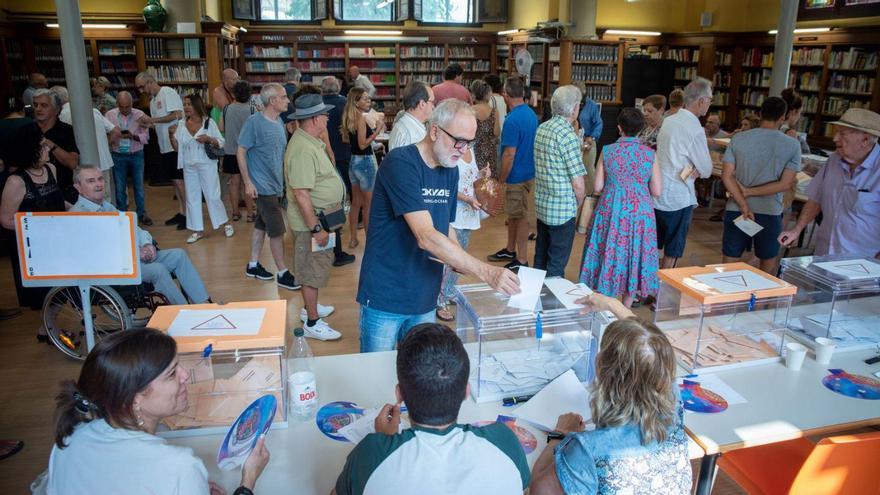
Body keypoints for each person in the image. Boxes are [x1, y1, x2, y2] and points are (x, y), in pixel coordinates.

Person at [356, 99, 520, 353]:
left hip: (425, 295)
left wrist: (457, 258)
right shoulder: (400, 163)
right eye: (458, 140)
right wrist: (487, 272)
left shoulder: (449, 169)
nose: (463, 150)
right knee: (377, 378)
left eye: (468, 143)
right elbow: (426, 236)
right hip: (386, 295)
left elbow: (445, 225)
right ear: (434, 131)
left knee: (418, 375)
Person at [46, 328, 269, 494]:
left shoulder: (69, 440)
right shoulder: (179, 466)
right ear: (134, 398)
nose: (184, 375)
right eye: (171, 374)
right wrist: (247, 481)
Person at [335, 323, 530, 495]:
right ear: (466, 391)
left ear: (399, 395)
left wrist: (385, 442)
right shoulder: (504, 441)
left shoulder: (371, 453)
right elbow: (522, 489)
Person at [529, 293, 691, 495]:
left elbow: (537, 488)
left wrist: (560, 434)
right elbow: (649, 350)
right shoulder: (673, 402)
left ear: (599, 364)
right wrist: (613, 305)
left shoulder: (587, 449)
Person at [71, 164, 211, 305]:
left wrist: (146, 244)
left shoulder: (106, 207)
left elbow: (133, 228)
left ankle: (204, 304)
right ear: (78, 187)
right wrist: (136, 253)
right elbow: (102, 251)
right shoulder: (79, 216)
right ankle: (183, 312)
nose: (98, 184)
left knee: (178, 255)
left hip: (130, 260)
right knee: (158, 270)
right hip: (111, 269)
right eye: (91, 181)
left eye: (100, 179)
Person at [581, 108, 662, 308]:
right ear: (641, 129)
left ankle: (604, 304)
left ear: (619, 128)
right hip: (640, 211)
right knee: (634, 256)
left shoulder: (608, 151)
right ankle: (624, 310)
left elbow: (598, 186)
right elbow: (657, 190)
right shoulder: (649, 154)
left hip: (612, 208)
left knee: (607, 251)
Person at [779, 108, 880, 257]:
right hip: (824, 253)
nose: (835, 138)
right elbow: (816, 199)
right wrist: (797, 229)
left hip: (863, 263)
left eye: (842, 134)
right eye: (836, 132)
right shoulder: (833, 160)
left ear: (865, 140)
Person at [285, 94, 346, 341]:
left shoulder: (310, 140)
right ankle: (312, 321)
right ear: (313, 119)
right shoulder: (301, 148)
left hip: (323, 219)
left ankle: (311, 305)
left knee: (316, 267)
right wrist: (316, 229)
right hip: (313, 224)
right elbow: (301, 194)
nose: (327, 117)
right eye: (324, 114)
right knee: (310, 270)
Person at [721, 97, 800, 275]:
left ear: (759, 114)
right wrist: (751, 192)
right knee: (767, 263)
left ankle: (723, 300)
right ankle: (762, 301)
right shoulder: (792, 145)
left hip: (737, 209)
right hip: (770, 210)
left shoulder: (739, 139)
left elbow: (727, 176)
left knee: (729, 260)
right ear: (783, 117)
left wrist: (743, 202)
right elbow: (785, 184)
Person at [0, 123, 65, 336]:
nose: (47, 149)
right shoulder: (16, 182)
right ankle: (48, 328)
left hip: (57, 241)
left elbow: (58, 202)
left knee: (64, 286)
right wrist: (35, 227)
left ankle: (47, 327)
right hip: (33, 247)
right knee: (46, 290)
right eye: (42, 146)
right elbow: (6, 219)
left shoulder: (51, 170)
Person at [236, 83, 299, 291]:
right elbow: (241, 151)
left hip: (275, 185)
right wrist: (248, 182)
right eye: (283, 97)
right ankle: (282, 272)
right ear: (272, 101)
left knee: (261, 225)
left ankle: (253, 265)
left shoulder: (279, 121)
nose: (287, 100)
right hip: (263, 188)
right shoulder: (254, 123)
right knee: (277, 230)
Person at [654, 77, 714, 269]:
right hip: (679, 196)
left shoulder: (668, 121)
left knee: (653, 245)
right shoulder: (695, 128)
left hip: (658, 190)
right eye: (710, 99)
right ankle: (660, 294)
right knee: (673, 251)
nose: (710, 104)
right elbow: (706, 169)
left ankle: (644, 289)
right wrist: (696, 170)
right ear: (702, 100)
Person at [533, 85, 586, 278]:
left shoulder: (542, 128)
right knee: (556, 262)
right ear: (574, 109)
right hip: (562, 209)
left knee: (541, 256)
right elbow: (578, 183)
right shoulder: (568, 136)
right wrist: (579, 203)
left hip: (543, 204)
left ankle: (536, 300)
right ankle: (551, 304)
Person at [488, 76, 538, 271]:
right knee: (515, 215)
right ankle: (510, 249)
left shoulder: (512, 120)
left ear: (505, 95)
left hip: (516, 175)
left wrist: (500, 180)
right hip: (529, 172)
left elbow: (509, 155)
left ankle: (522, 259)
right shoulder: (531, 115)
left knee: (520, 216)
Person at [170, 94, 233, 244]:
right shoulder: (181, 124)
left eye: (189, 104)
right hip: (189, 165)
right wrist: (171, 137)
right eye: (184, 104)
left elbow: (221, 142)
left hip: (206, 163)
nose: (186, 107)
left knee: (212, 195)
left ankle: (226, 223)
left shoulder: (208, 123)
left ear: (197, 105)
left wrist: (209, 139)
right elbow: (177, 148)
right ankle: (197, 230)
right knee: (192, 197)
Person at [435, 148, 485, 321]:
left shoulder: (470, 149)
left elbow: (471, 178)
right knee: (450, 259)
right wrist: (468, 199)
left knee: (459, 258)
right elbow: (446, 186)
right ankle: (439, 300)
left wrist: (481, 174)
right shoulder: (451, 153)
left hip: (469, 215)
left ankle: (448, 292)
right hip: (455, 214)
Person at [135, 72, 186, 228]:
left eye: (142, 87)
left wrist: (153, 120)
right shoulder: (152, 101)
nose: (141, 91)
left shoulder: (167, 92)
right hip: (164, 145)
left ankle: (188, 214)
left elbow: (177, 114)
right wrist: (147, 124)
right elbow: (157, 123)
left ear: (150, 81)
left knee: (179, 180)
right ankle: (182, 211)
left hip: (174, 144)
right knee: (173, 180)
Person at [56, 85, 120, 208]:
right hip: (104, 162)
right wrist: (105, 146)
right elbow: (115, 131)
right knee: (105, 199)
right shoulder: (93, 110)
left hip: (82, 167)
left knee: (88, 201)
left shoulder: (63, 116)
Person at [342, 87, 384, 249]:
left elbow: (347, 140)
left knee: (356, 203)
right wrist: (377, 132)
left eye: (368, 98)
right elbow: (362, 144)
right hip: (365, 162)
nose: (369, 101)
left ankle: (353, 239)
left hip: (353, 161)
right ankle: (370, 241)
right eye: (365, 99)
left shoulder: (349, 117)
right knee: (368, 205)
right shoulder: (360, 118)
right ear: (356, 101)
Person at [321, 76, 357, 267]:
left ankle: (326, 250)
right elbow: (352, 128)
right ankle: (337, 250)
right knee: (344, 196)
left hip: (324, 159)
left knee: (328, 204)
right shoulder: (345, 103)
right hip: (343, 155)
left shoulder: (318, 106)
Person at [105, 91, 152, 226]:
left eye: (127, 106)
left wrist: (133, 136)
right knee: (120, 187)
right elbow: (105, 135)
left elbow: (146, 137)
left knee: (139, 186)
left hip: (136, 153)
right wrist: (113, 138)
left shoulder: (140, 115)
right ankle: (123, 215)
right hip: (118, 154)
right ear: (117, 105)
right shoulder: (109, 115)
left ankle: (142, 213)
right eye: (122, 107)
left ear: (132, 104)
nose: (125, 110)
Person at [31, 88, 79, 203]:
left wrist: (50, 145)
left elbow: (72, 163)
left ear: (56, 110)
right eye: (35, 105)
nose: (38, 109)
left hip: (62, 191)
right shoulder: (27, 130)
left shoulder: (66, 130)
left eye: (44, 105)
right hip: (33, 193)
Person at [221, 80, 257, 223]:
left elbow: (221, 128)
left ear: (234, 94)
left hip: (230, 151)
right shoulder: (253, 110)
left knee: (234, 182)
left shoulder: (226, 109)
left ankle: (235, 213)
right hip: (248, 152)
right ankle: (250, 214)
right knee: (248, 182)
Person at [388, 81, 434, 151]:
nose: (433, 107)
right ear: (422, 104)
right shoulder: (413, 136)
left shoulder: (405, 124)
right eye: (432, 102)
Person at [469, 80, 500, 175]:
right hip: (490, 152)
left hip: (475, 151)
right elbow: (497, 133)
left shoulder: (470, 110)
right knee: (489, 182)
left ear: (473, 94)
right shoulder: (494, 112)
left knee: (475, 179)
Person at [577, 90, 603, 185]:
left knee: (588, 169)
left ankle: (592, 194)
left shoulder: (591, 105)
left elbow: (599, 123)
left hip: (588, 140)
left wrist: (592, 137)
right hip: (573, 140)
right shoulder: (569, 103)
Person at [780, 88, 811, 154]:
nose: (799, 117)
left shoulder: (771, 128)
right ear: (794, 111)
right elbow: (806, 155)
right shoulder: (794, 137)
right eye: (800, 113)